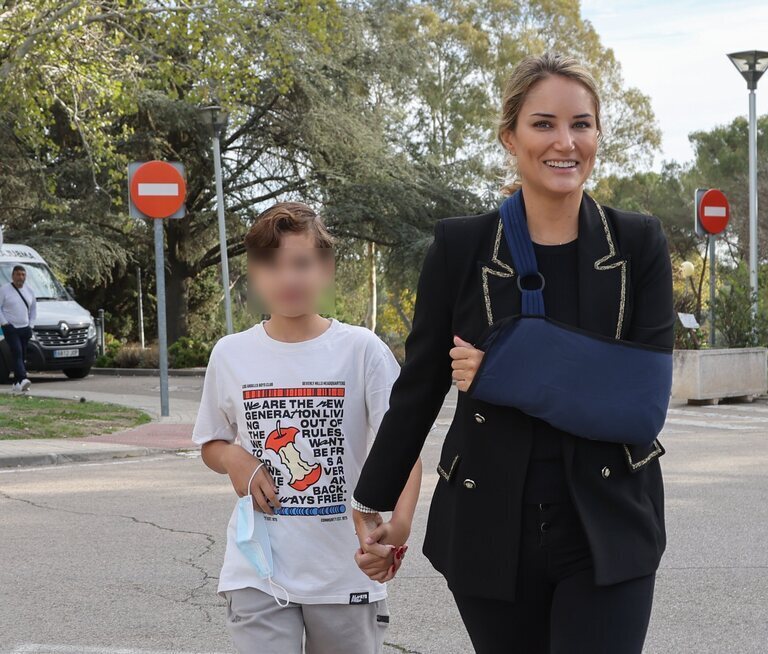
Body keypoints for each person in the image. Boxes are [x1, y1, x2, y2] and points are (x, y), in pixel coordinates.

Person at [349, 52, 675, 653]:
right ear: (510, 136)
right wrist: (376, 502)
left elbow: (641, 402)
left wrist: (506, 368)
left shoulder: (636, 245)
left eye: (581, 124)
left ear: (598, 134)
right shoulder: (461, 247)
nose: (565, 142)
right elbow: (421, 386)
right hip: (488, 525)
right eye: (544, 123)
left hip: (607, 521)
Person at [192, 201, 423, 654]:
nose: (288, 279)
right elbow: (212, 442)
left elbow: (404, 449)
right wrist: (235, 458)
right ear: (254, 275)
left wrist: (400, 525)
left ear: (326, 268)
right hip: (257, 568)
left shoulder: (361, 350)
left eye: (301, 263)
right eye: (272, 266)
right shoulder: (231, 354)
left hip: (344, 572)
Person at [0, 264, 37, 393]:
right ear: (13, 276)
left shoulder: (29, 291)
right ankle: (23, 378)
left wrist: (30, 325)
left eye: (23, 275)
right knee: (17, 351)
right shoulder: (4, 290)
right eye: (18, 274)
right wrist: (4, 323)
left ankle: (16, 384)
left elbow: (33, 310)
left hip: (24, 328)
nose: (20, 277)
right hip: (10, 328)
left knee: (22, 355)